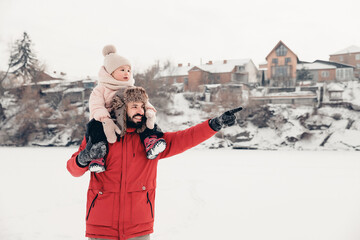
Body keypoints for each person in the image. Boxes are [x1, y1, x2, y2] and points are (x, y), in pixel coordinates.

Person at [67, 86, 242, 240]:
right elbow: (73, 169)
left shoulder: (152, 143)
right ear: (121, 109)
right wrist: (85, 156)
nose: (140, 111)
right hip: (101, 227)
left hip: (138, 228)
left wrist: (214, 124)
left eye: (142, 107)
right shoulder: (100, 138)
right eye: (134, 106)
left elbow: (186, 138)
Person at [87, 45, 166, 173]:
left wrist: (149, 111)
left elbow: (144, 102)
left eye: (129, 70)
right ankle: (98, 156)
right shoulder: (100, 89)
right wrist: (105, 119)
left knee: (141, 118)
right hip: (106, 122)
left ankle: (150, 142)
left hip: (125, 120)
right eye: (122, 70)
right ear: (110, 72)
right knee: (94, 127)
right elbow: (96, 106)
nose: (126, 73)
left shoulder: (131, 89)